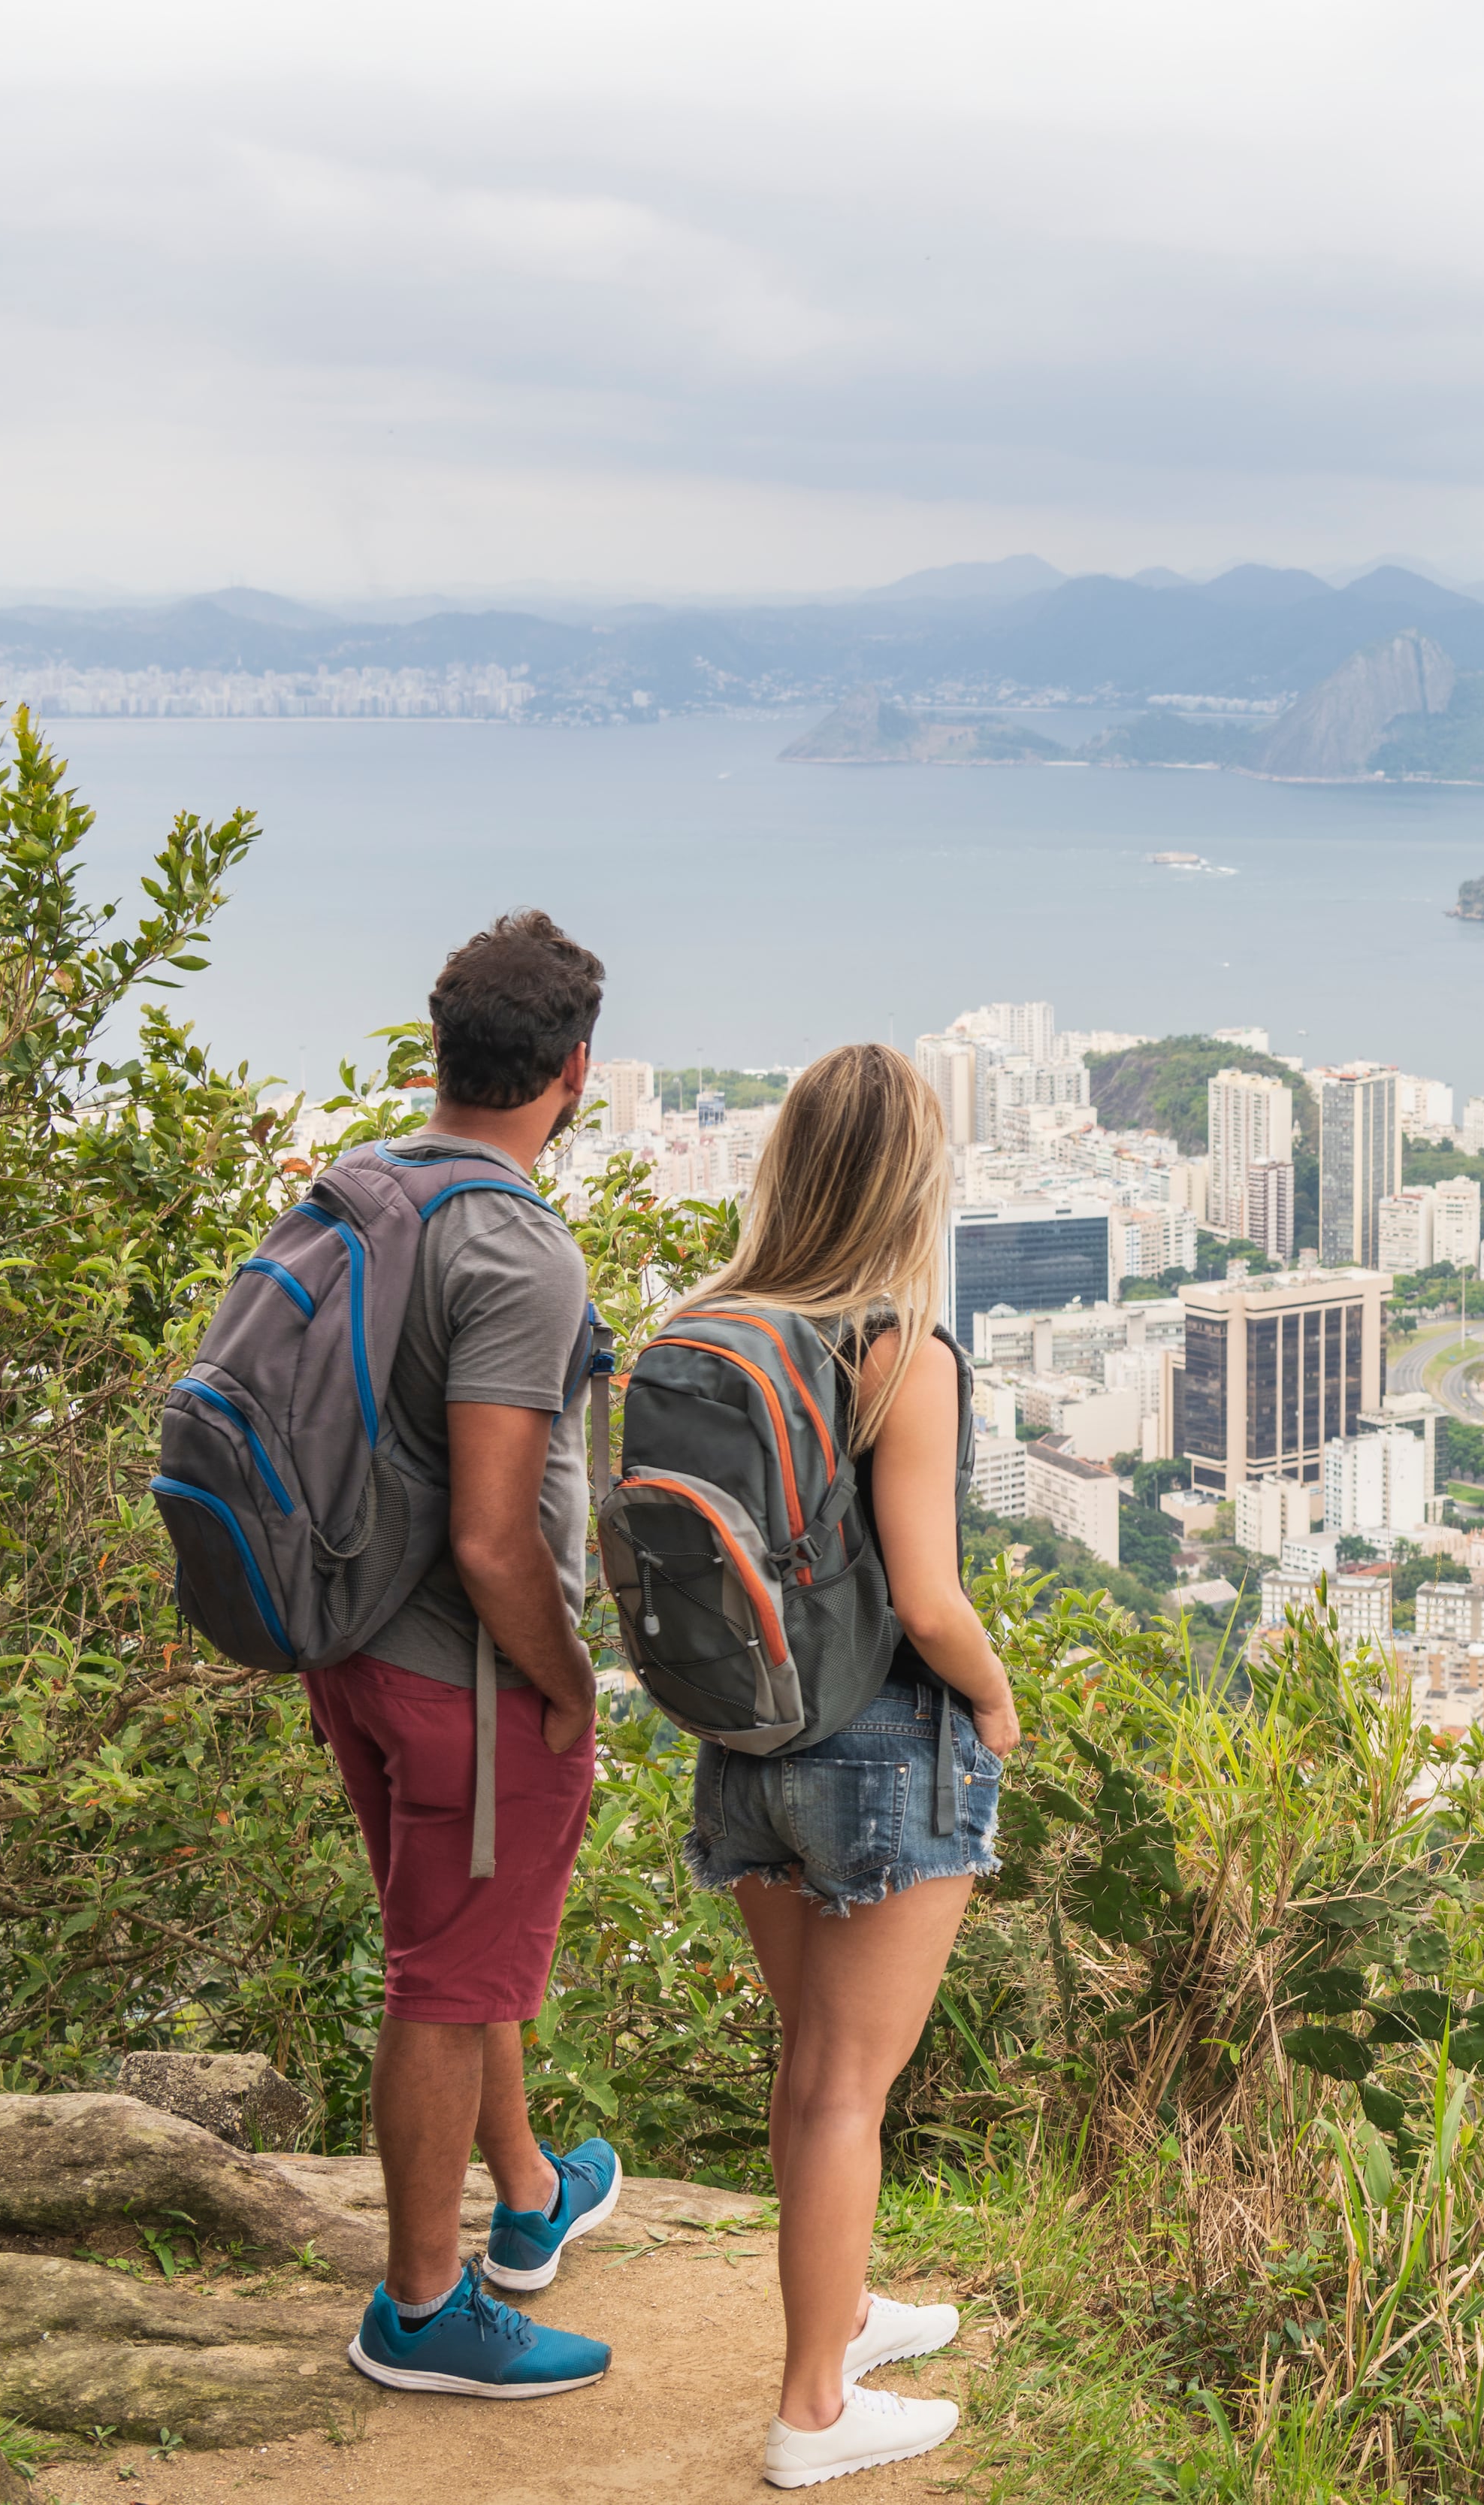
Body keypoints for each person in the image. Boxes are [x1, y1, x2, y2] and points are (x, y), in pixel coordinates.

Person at [669, 1043, 1021, 2488]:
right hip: (880, 1748)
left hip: (744, 1740)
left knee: (811, 2068)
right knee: (845, 2089)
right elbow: (927, 1599)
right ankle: (813, 2409)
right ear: (910, 1183)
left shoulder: (705, 1326)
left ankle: (847, 2313)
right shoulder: (901, 1348)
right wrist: (996, 1704)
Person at [329, 912, 628, 2398]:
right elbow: (498, 1539)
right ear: (574, 1071)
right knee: (446, 1980)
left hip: (355, 1641)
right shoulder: (515, 1245)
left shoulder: (366, 1187)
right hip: (464, 1671)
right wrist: (566, 1681)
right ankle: (421, 2306)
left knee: (467, 1937)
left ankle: (527, 2189)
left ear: (444, 1049)